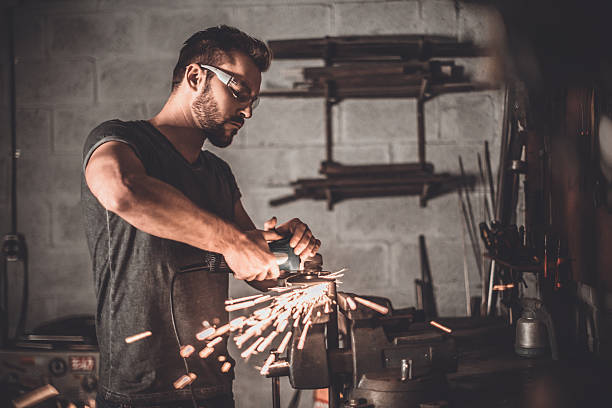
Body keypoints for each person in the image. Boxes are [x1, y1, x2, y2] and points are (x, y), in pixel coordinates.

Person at [81, 25, 320, 408]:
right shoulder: (123, 142)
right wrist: (234, 242)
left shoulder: (217, 174)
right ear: (196, 77)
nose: (247, 112)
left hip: (212, 390)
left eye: (252, 101)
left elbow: (259, 269)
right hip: (139, 395)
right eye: (239, 93)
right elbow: (122, 190)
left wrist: (290, 252)